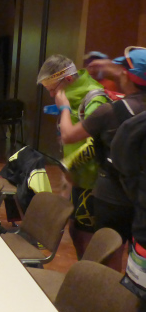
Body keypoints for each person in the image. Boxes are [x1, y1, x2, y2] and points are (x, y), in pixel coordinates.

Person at [54, 47, 146, 267]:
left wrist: (64, 108)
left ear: (126, 75)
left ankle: (106, 288)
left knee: (109, 257)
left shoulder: (110, 111)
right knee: (138, 259)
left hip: (112, 196)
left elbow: (68, 135)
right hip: (142, 197)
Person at [37, 54, 108, 259]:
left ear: (68, 79)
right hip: (78, 176)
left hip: (91, 180)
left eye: (53, 89)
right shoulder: (70, 96)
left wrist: (69, 164)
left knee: (86, 236)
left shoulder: (94, 97)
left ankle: (89, 275)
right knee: (75, 230)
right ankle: (82, 271)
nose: (52, 94)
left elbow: (96, 141)